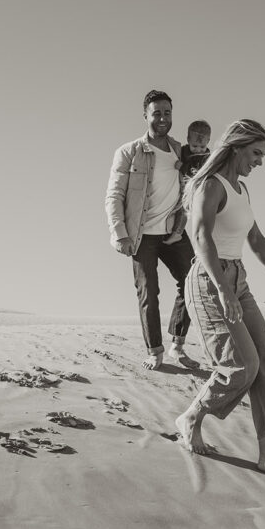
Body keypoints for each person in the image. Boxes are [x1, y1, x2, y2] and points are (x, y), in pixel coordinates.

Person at [174, 119, 265, 477]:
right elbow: (201, 236)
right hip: (208, 280)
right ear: (236, 147)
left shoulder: (241, 188)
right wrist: (221, 288)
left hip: (238, 279)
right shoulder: (210, 185)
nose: (260, 161)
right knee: (241, 365)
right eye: (256, 153)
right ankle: (191, 417)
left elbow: (256, 238)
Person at [105, 90, 200, 371]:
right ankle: (154, 351)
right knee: (149, 292)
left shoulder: (179, 150)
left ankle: (177, 345)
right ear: (145, 115)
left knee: (193, 283)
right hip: (141, 234)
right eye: (156, 112)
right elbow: (114, 195)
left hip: (174, 233)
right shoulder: (129, 152)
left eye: (167, 113)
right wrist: (119, 233)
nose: (162, 118)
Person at [164, 120, 212, 245]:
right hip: (179, 183)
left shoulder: (206, 157)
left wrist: (181, 167)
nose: (198, 150)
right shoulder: (183, 150)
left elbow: (195, 173)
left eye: (202, 147)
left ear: (208, 142)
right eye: (194, 146)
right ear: (188, 140)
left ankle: (177, 233)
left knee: (183, 208)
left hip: (193, 188)